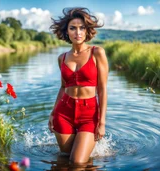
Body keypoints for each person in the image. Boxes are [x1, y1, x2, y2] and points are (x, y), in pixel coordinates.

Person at [48, 7, 109, 164]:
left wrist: (101, 122)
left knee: (77, 162)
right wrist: (53, 113)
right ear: (67, 31)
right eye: (73, 28)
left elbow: (102, 89)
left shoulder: (97, 53)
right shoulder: (62, 58)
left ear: (87, 31)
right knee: (65, 159)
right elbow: (63, 87)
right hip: (64, 113)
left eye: (82, 28)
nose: (78, 32)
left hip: (89, 115)